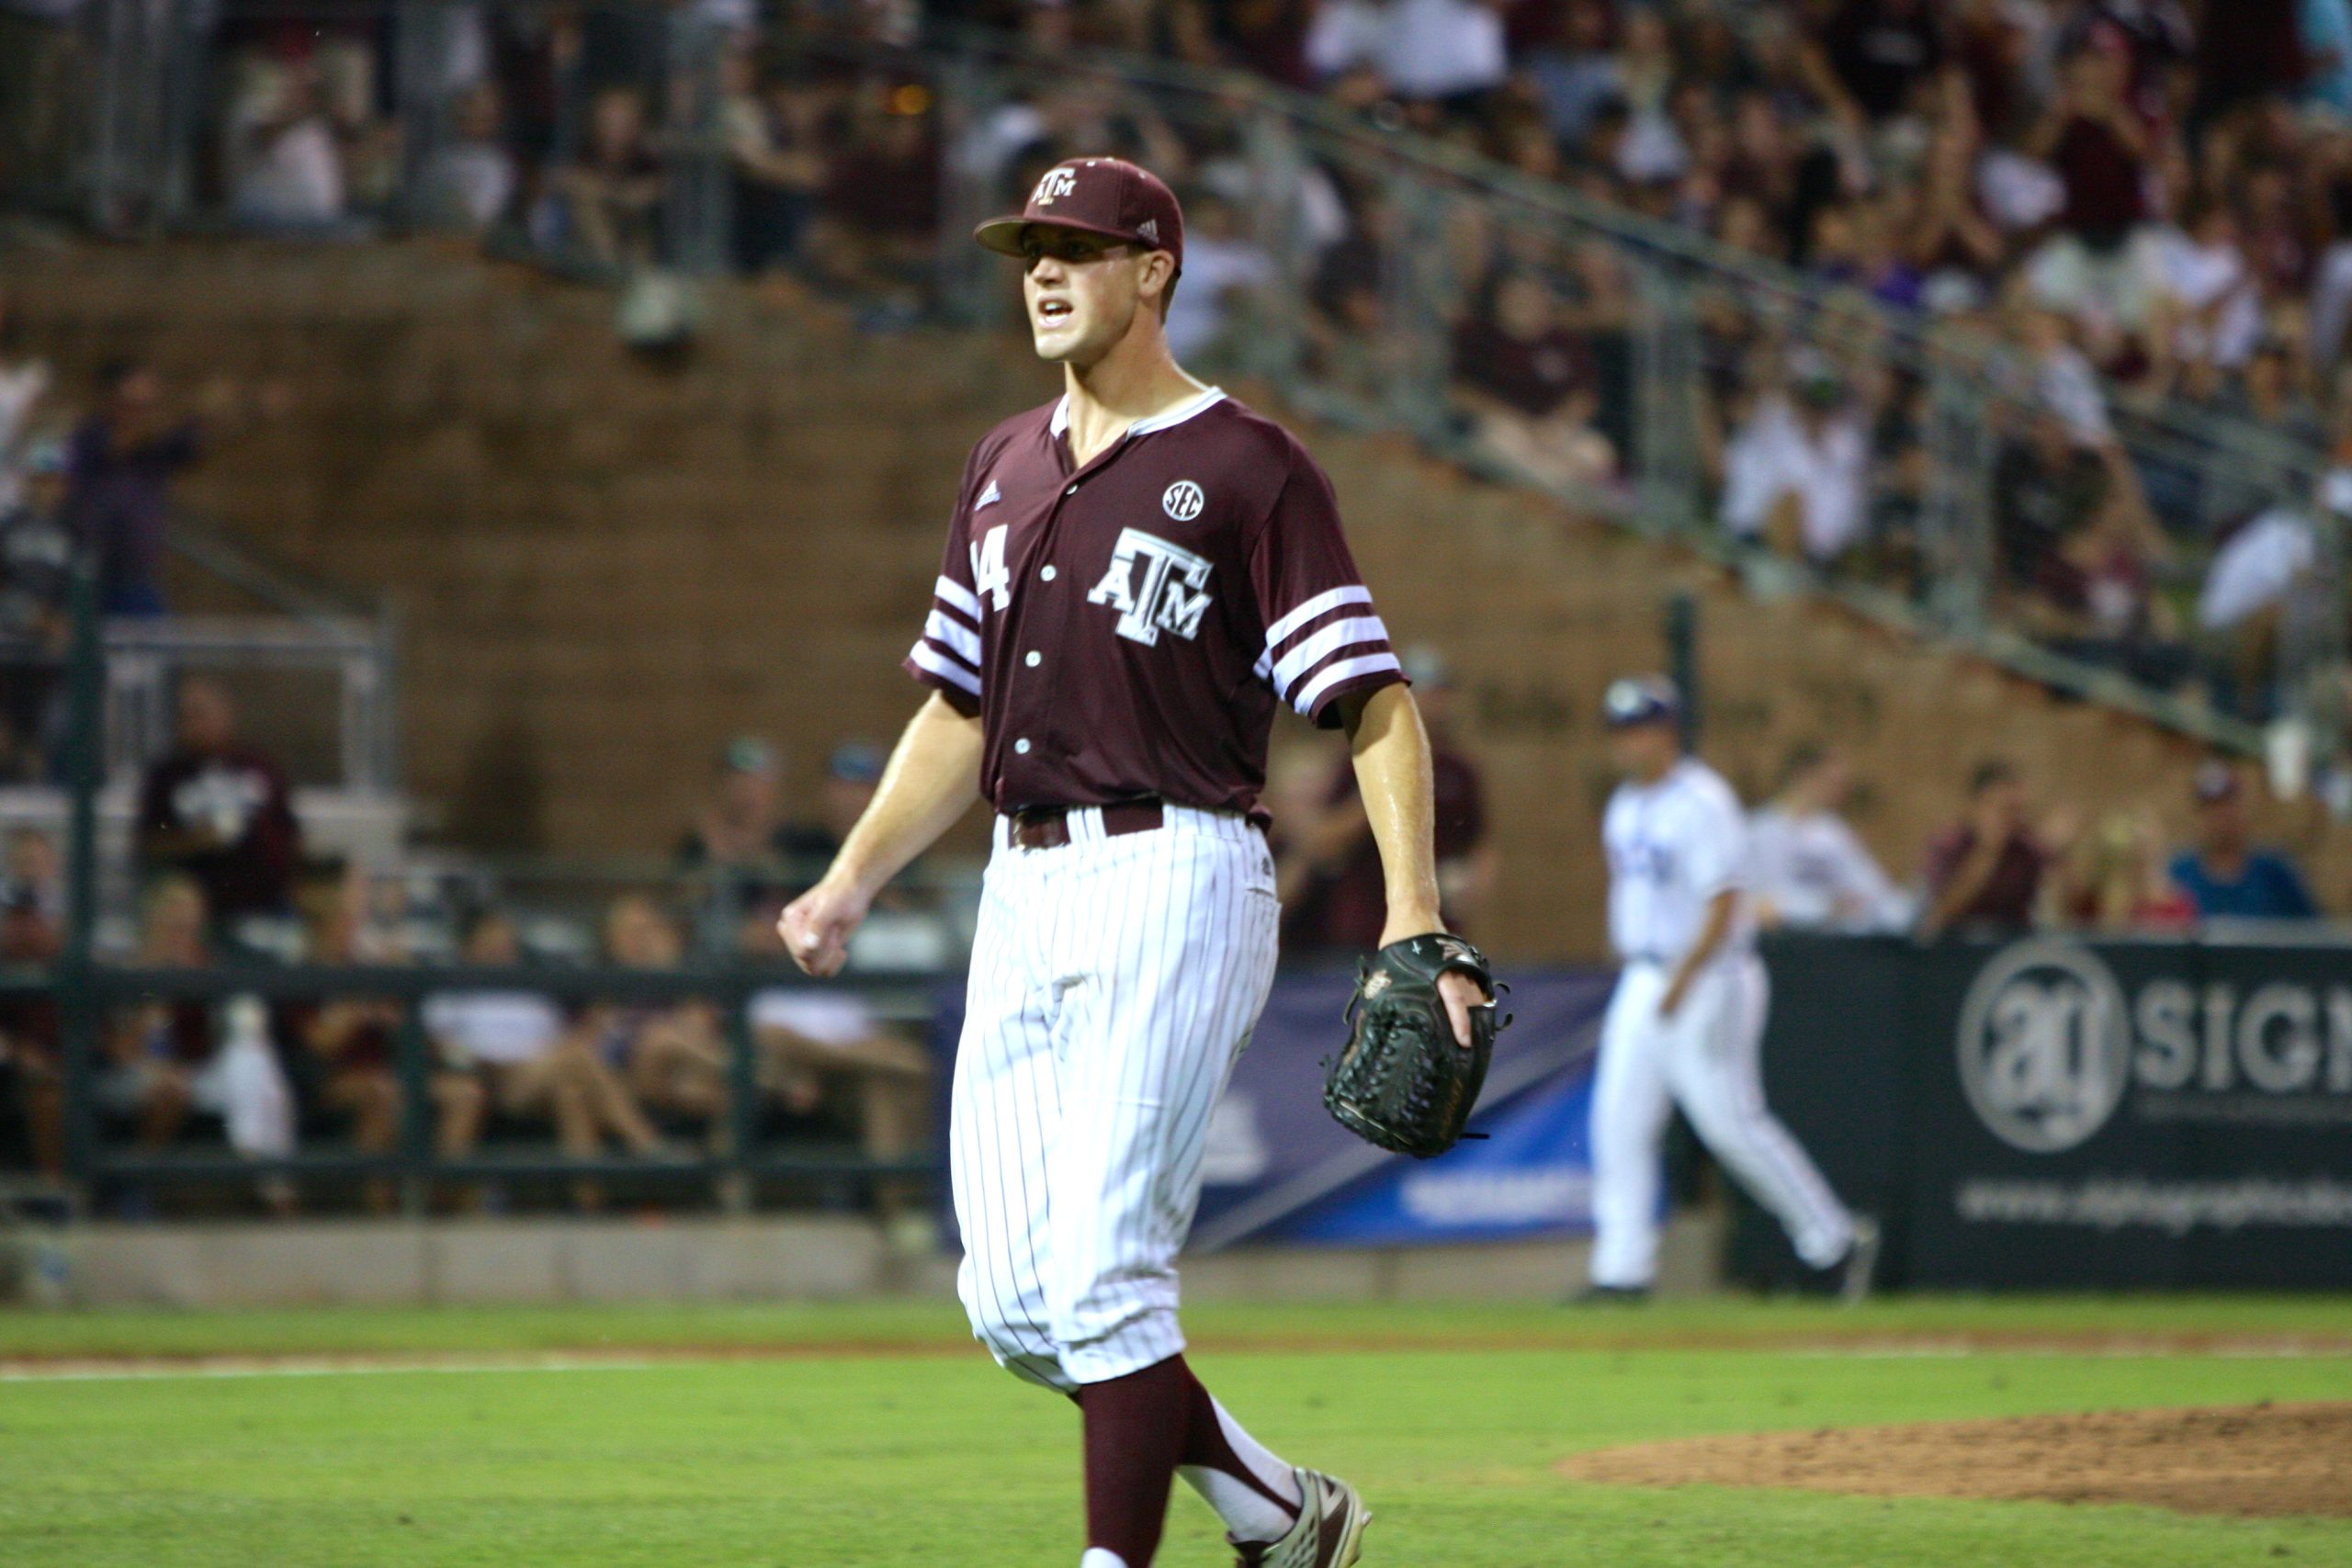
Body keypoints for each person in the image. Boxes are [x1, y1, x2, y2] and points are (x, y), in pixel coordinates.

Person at [779, 156, 1491, 1568]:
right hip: (1021, 884)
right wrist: (850, 877)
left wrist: (1414, 914)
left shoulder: (1248, 467)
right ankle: (1281, 1511)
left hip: (1177, 869)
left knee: (1106, 1274)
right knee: (1015, 1301)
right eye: (1028, 249)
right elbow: (958, 706)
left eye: (1077, 247)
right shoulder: (1001, 462)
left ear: (1154, 267)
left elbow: (1371, 697)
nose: (1041, 271)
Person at [1584, 677, 1872, 1303]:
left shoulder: (1702, 799)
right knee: (1617, 1123)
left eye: (1639, 728)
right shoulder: (1625, 804)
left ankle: (1832, 1239)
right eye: (1620, 729)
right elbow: (1633, 897)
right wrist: (1637, 972)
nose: (1627, 742)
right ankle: (1621, 1271)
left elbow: (1723, 899)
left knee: (1729, 1122)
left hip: (1707, 972)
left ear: (1668, 732)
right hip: (1644, 973)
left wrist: (1681, 978)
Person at [425, 908, 673, 1212]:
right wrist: (480, 1062)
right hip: (493, 1077)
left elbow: (555, 1036)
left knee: (572, 1092)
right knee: (575, 1056)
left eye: (504, 936)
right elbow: (440, 1046)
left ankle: (588, 1204)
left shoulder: (528, 989)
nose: (501, 943)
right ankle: (645, 1143)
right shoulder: (453, 991)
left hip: (540, 1074)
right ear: (470, 945)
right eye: (491, 937)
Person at [1280, 645, 1493, 952]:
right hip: (1369, 928)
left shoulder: (1457, 769)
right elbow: (1321, 840)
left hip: (1438, 928)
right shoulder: (1363, 757)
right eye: (1423, 692)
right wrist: (1387, 790)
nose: (1434, 703)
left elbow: (1479, 839)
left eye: (1440, 692)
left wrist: (1474, 883)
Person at [136, 677, 304, 927]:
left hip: (265, 906)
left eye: (201, 714)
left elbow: (289, 831)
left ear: (225, 714)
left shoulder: (259, 767)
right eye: (185, 716)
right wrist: (195, 840)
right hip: (197, 914)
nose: (194, 724)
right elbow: (147, 843)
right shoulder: (167, 776)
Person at [1747, 742, 1911, 932]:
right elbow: (1763, 904)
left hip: (1834, 945)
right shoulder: (1761, 830)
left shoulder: (1834, 833)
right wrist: (1824, 907)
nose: (1838, 793)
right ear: (1803, 774)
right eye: (1830, 782)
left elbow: (1872, 891)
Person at [1920, 758, 2074, 937]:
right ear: (1978, 805)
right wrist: (1988, 851)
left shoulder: (2026, 850)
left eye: (2020, 809)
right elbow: (1941, 912)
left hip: (2010, 948)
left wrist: (2059, 856)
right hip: (1955, 945)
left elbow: (2063, 913)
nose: (2015, 818)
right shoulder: (1949, 845)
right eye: (2005, 809)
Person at [2166, 761, 2319, 920]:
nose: (2221, 817)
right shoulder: (2179, 876)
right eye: (2212, 808)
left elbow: (2312, 933)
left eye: (2228, 805)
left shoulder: (2273, 874)